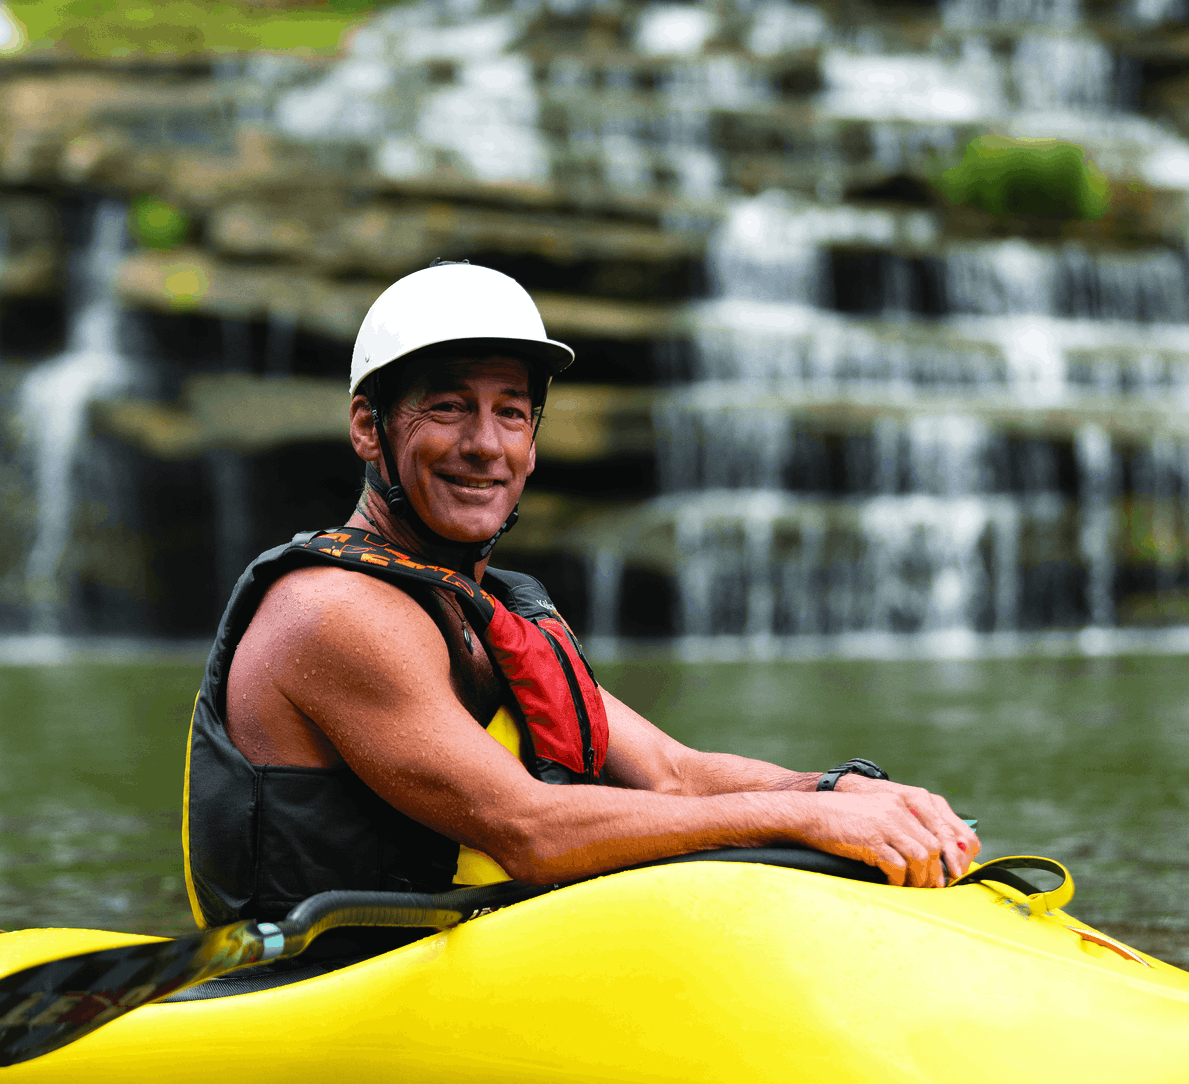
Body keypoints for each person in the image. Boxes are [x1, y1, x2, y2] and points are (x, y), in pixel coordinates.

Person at [183, 263, 979, 949]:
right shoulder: (333, 611)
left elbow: (673, 774)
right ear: (368, 426)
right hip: (323, 992)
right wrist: (799, 824)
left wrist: (834, 792)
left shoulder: (484, 613)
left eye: (512, 411)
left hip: (457, 967)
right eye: (450, 407)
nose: (486, 444)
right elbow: (528, 829)